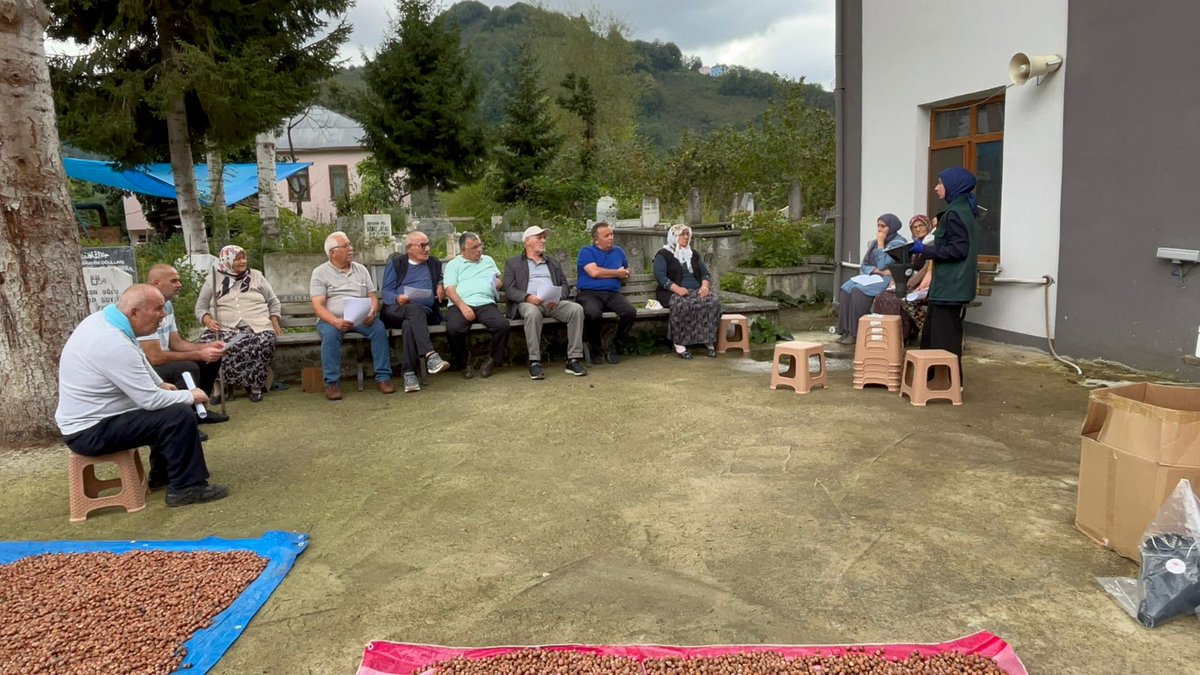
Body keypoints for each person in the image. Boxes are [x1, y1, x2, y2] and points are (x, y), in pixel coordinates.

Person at [57, 284, 228, 507]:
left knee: (171, 408)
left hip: (93, 420)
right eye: (158, 309)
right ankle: (186, 488)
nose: (163, 314)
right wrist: (191, 395)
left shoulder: (106, 321)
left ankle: (164, 475)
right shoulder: (112, 343)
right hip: (88, 433)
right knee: (177, 415)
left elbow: (137, 356)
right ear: (135, 312)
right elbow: (149, 401)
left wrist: (160, 383)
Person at [912, 168, 981, 377]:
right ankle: (932, 378)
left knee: (945, 339)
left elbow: (959, 250)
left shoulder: (955, 213)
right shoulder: (962, 209)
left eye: (940, 183)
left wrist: (926, 249)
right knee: (933, 334)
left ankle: (946, 382)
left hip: (952, 286)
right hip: (948, 287)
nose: (936, 187)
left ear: (953, 185)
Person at [310, 231, 395, 400]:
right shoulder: (320, 273)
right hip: (332, 318)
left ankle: (383, 378)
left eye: (350, 245)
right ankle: (332, 383)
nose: (351, 248)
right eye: (346, 246)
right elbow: (318, 305)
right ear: (333, 252)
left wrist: (372, 311)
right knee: (331, 334)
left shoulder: (361, 270)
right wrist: (335, 321)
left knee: (378, 329)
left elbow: (372, 296)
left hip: (360, 316)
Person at [194, 245, 283, 403]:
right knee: (208, 344)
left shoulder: (256, 276)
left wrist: (274, 320)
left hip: (257, 327)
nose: (243, 261)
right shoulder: (213, 278)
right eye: (237, 259)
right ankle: (218, 387)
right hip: (224, 328)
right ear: (226, 260)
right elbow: (200, 307)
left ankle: (255, 386)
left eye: (244, 258)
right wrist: (207, 320)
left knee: (263, 342)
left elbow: (273, 301)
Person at [142, 264, 229, 423]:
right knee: (188, 367)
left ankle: (200, 409)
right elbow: (154, 358)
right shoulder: (144, 308)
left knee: (210, 358)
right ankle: (184, 419)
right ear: (156, 283)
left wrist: (207, 347)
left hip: (160, 361)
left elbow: (176, 343)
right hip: (145, 369)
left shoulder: (166, 305)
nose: (179, 285)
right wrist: (198, 354)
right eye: (174, 281)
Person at [503, 226, 588, 379]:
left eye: (544, 237)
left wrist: (558, 298)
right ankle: (534, 361)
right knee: (532, 313)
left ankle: (573, 359)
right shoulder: (513, 263)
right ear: (528, 241)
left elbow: (564, 285)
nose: (543, 240)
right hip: (529, 302)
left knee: (576, 309)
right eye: (539, 237)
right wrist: (528, 297)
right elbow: (509, 289)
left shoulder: (553, 262)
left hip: (552, 303)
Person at [380, 231, 450, 393]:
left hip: (424, 312)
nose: (427, 249)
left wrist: (440, 283)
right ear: (409, 248)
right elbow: (386, 291)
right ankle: (430, 355)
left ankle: (409, 373)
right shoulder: (397, 263)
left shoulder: (434, 263)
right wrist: (398, 298)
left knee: (410, 323)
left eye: (428, 244)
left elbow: (440, 277)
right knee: (412, 311)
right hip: (397, 309)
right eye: (423, 245)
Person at [444, 232, 509, 379]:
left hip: (485, 303)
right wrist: (463, 306)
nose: (479, 250)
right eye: (474, 247)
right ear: (463, 250)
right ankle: (463, 362)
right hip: (460, 304)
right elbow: (449, 290)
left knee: (502, 326)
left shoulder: (488, 260)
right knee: (454, 329)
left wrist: (499, 282)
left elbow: (498, 278)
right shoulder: (453, 264)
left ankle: (492, 360)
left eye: (480, 245)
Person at [835, 214, 907, 344]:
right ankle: (845, 330)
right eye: (878, 225)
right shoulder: (875, 243)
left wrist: (880, 244)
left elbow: (884, 264)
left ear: (892, 227)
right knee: (846, 288)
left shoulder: (898, 243)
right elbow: (865, 265)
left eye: (883, 226)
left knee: (858, 291)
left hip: (890, 279)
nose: (879, 229)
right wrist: (877, 271)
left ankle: (856, 333)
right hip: (874, 276)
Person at [653, 224, 722, 359]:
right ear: (674, 237)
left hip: (695, 291)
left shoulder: (693, 254)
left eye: (687, 234)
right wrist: (678, 289)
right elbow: (661, 277)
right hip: (671, 292)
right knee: (682, 304)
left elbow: (705, 274)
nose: (686, 237)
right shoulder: (663, 254)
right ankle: (680, 343)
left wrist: (704, 287)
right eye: (682, 234)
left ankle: (707, 340)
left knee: (712, 301)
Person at [575, 221, 636, 364]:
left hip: (612, 294)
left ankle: (616, 345)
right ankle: (595, 347)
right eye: (606, 235)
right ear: (596, 240)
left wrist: (626, 272)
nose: (611, 238)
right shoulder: (586, 252)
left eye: (611, 234)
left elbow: (626, 269)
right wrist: (617, 273)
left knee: (629, 312)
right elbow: (594, 272)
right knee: (593, 314)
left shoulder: (618, 251)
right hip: (589, 293)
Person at [870, 214, 933, 344]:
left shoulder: (931, 244)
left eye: (920, 225)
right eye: (914, 227)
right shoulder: (912, 246)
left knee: (902, 298)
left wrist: (909, 284)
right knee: (884, 296)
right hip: (913, 282)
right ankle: (887, 334)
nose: (918, 229)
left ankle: (914, 333)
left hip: (926, 283)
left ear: (927, 226)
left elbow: (926, 269)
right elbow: (904, 266)